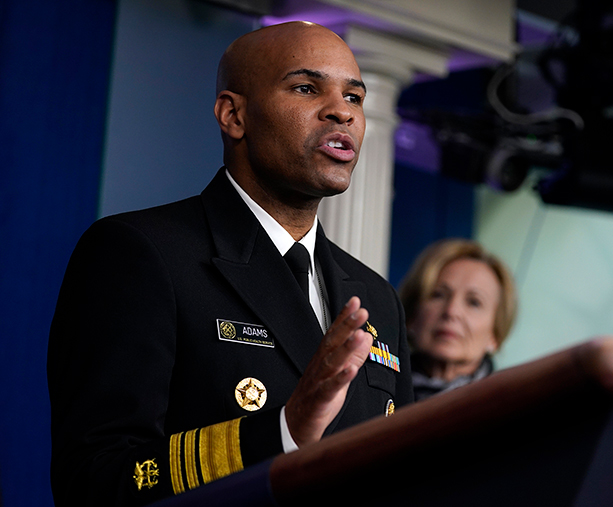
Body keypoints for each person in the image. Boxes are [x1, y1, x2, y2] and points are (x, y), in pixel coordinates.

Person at [47, 21, 412, 507]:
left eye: (354, 98)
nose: (340, 113)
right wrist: (282, 431)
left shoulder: (376, 297)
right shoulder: (142, 253)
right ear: (233, 115)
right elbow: (95, 480)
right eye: (306, 88)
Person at [398, 239, 517, 401]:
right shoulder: (377, 394)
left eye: (474, 302)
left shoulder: (512, 407)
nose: (451, 311)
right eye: (438, 295)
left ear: (495, 335)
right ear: (411, 315)